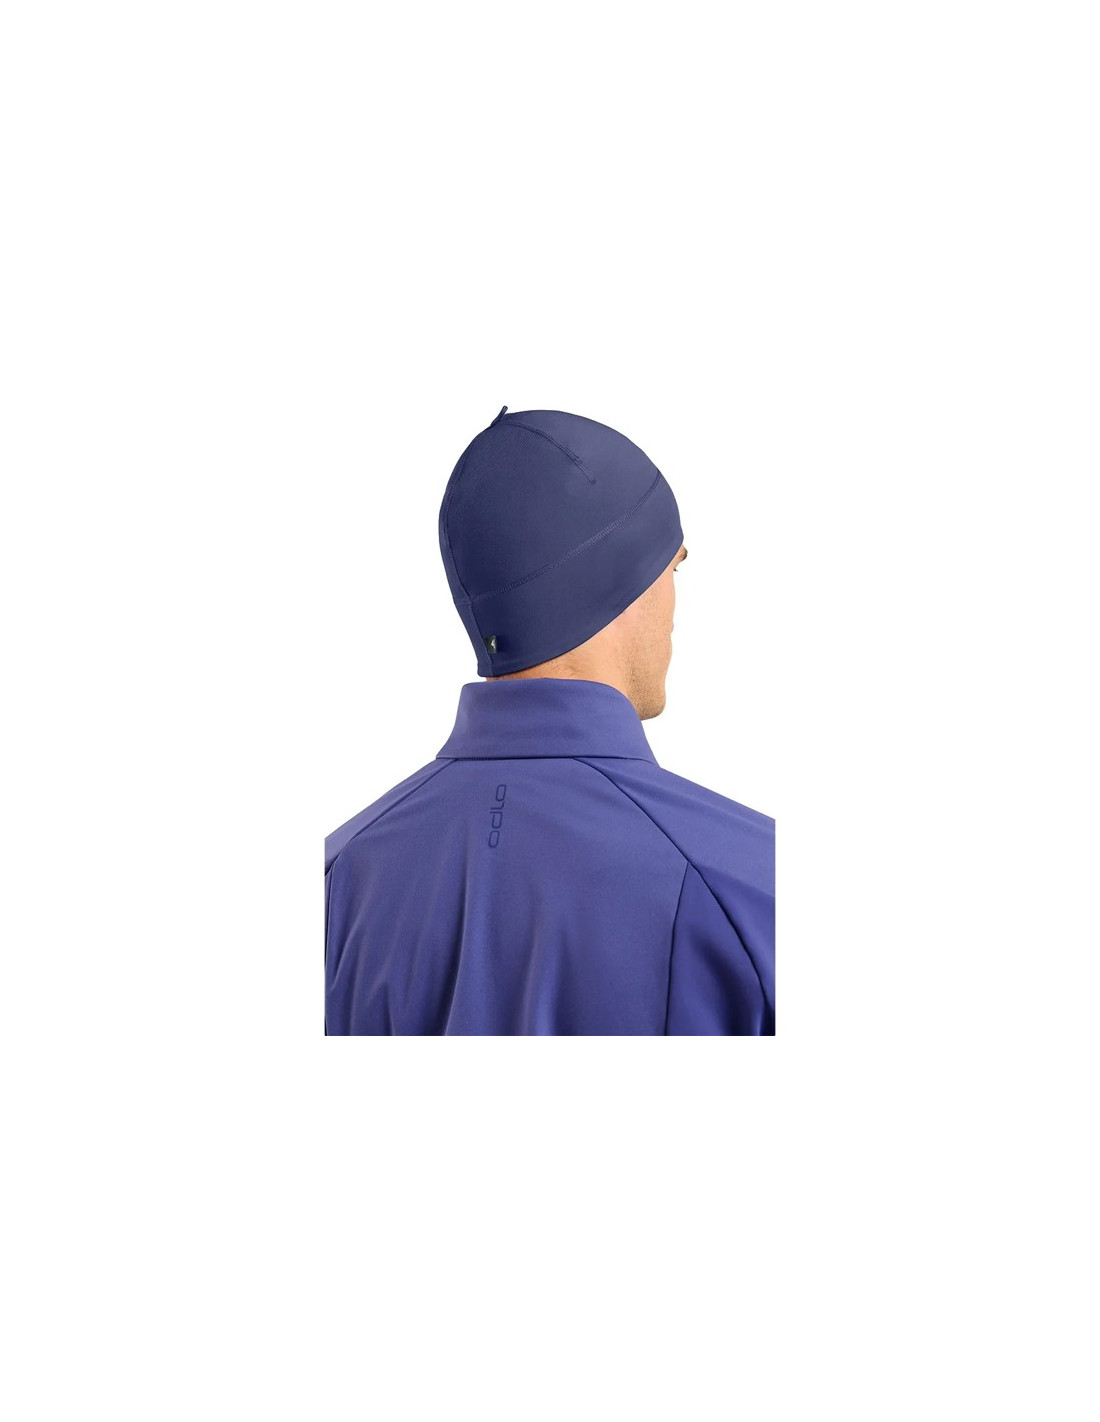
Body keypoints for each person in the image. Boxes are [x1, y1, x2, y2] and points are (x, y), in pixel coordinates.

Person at [324, 406, 775, 1035]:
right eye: (674, 566)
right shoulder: (751, 887)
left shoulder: (339, 877)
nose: (675, 603)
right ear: (624, 579)